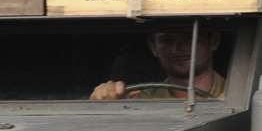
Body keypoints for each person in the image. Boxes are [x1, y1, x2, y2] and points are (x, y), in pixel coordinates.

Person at [91, 28, 225, 101]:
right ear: (153, 47)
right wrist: (100, 106)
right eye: (167, 40)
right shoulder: (139, 101)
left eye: (190, 37)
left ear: (214, 41)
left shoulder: (237, 96)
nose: (177, 48)